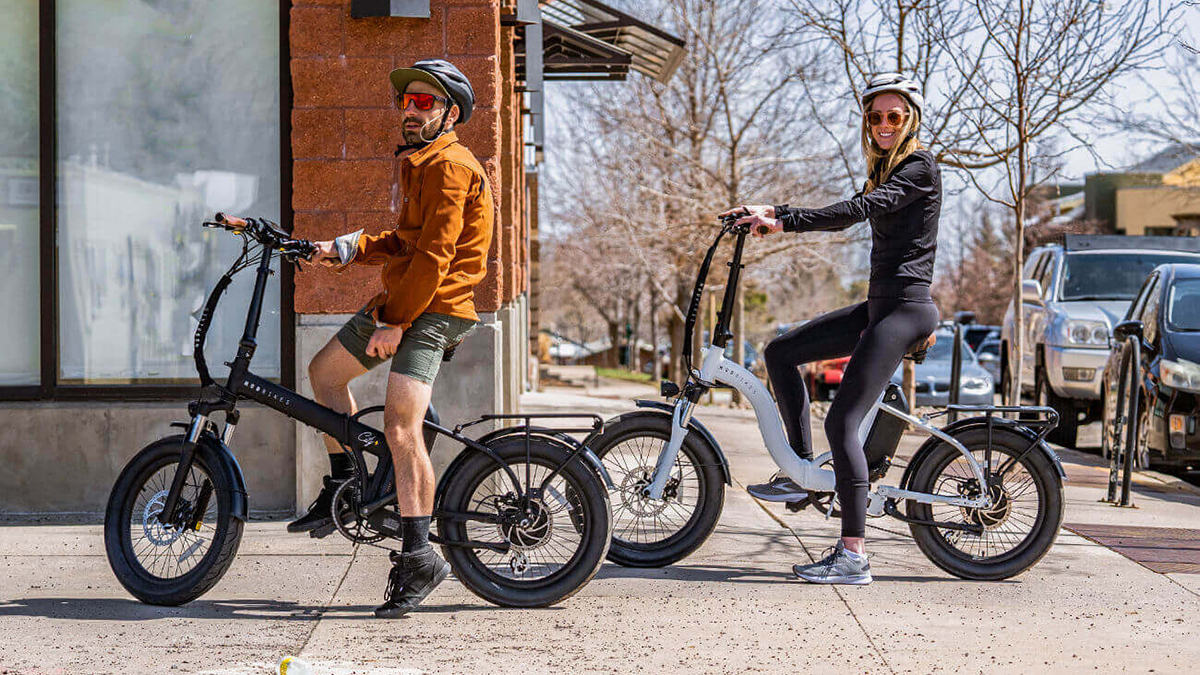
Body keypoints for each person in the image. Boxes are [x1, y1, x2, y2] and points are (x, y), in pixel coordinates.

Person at [291, 59, 494, 617]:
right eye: (406, 101)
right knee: (325, 374)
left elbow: (434, 258)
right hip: (403, 303)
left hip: (437, 309)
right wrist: (347, 248)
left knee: (401, 427)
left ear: (450, 114)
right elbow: (406, 242)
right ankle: (347, 486)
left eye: (424, 102)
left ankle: (420, 555)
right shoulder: (420, 163)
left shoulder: (450, 166)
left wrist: (395, 321)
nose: (410, 110)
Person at [721, 73, 941, 585]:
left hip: (904, 310)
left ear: (910, 120)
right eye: (875, 116)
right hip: (879, 307)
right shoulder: (886, 170)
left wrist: (784, 222)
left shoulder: (920, 167)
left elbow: (861, 210)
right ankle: (801, 475)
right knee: (780, 352)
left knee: (842, 421)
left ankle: (853, 556)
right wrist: (773, 211)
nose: (883, 124)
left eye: (894, 116)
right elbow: (846, 214)